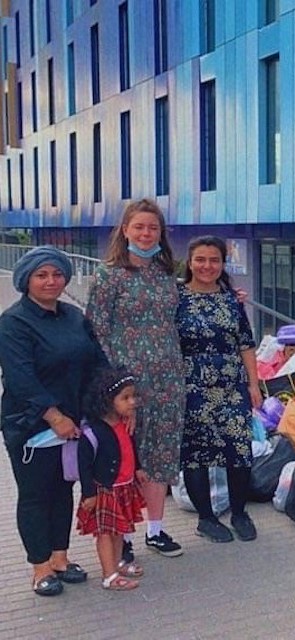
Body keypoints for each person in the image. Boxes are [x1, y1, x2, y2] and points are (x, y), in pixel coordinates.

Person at [0, 246, 108, 595]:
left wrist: (113, 400)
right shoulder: (13, 322)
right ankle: (40, 566)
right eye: (41, 275)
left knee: (63, 491)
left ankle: (61, 558)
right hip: (31, 426)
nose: (50, 281)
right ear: (26, 280)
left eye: (57, 274)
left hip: (74, 423)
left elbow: (97, 363)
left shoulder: (75, 317)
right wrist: (53, 416)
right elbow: (19, 378)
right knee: (35, 494)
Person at [86, 198, 186, 559]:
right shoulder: (108, 276)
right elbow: (95, 330)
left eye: (153, 227)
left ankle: (156, 530)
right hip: (126, 386)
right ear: (125, 230)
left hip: (168, 381)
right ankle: (123, 535)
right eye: (139, 227)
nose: (146, 234)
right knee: (127, 458)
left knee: (160, 454)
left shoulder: (165, 276)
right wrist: (110, 387)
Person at [177, 236, 263, 543]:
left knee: (238, 452)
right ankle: (206, 519)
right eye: (200, 259)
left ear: (223, 264)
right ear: (189, 262)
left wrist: (254, 384)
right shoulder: (176, 297)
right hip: (192, 388)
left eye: (214, 260)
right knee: (196, 454)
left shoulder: (231, 299)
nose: (207, 266)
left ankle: (239, 513)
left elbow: (247, 344)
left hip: (231, 387)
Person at [76, 367, 148, 591]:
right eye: (125, 398)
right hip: (104, 491)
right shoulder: (93, 433)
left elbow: (131, 449)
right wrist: (88, 493)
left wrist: (138, 468)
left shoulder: (125, 425)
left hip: (124, 486)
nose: (132, 402)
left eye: (133, 396)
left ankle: (116, 564)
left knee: (119, 530)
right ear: (107, 401)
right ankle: (108, 575)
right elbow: (84, 465)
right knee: (106, 533)